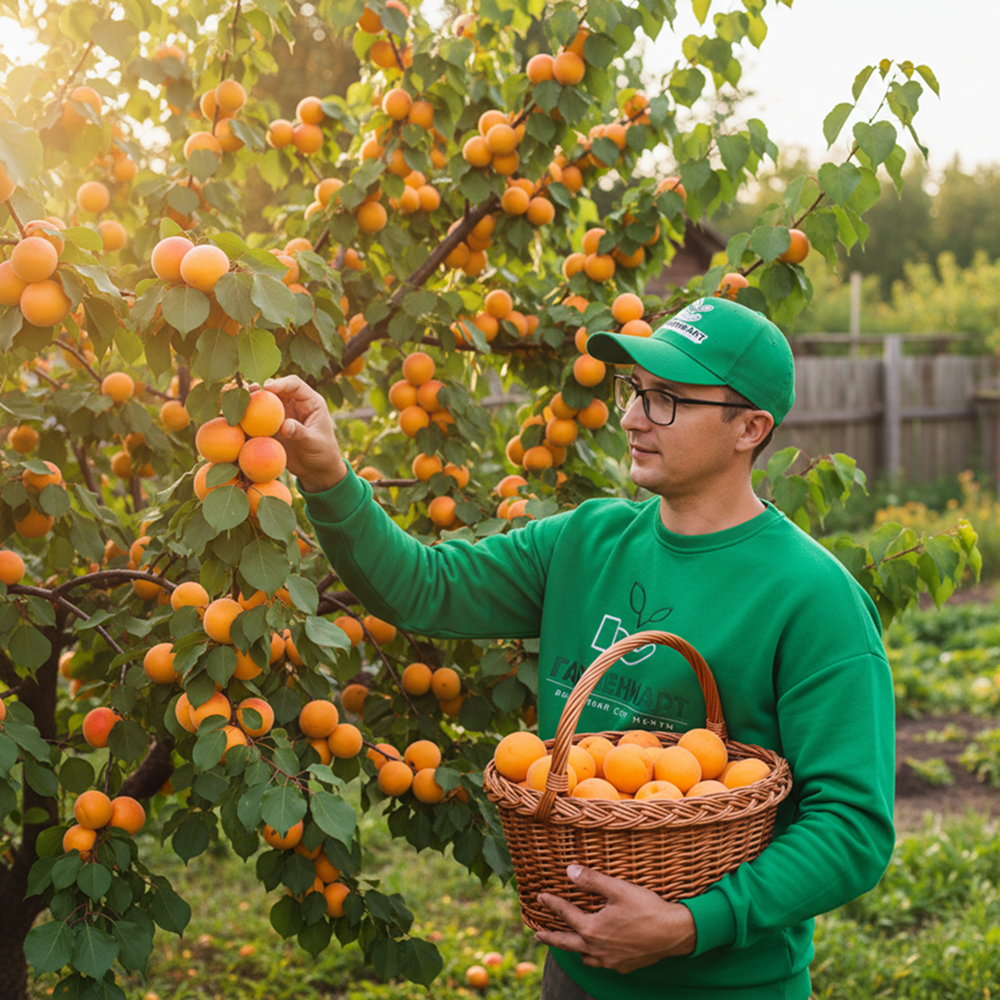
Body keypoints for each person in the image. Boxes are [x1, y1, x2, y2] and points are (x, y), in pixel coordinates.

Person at [265, 296, 895, 1000]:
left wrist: (691, 923)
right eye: (635, 392)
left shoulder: (814, 598)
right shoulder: (585, 540)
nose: (629, 417)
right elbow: (423, 586)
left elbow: (852, 829)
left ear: (750, 427)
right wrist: (326, 474)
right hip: (575, 968)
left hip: (723, 986)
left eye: (667, 400)